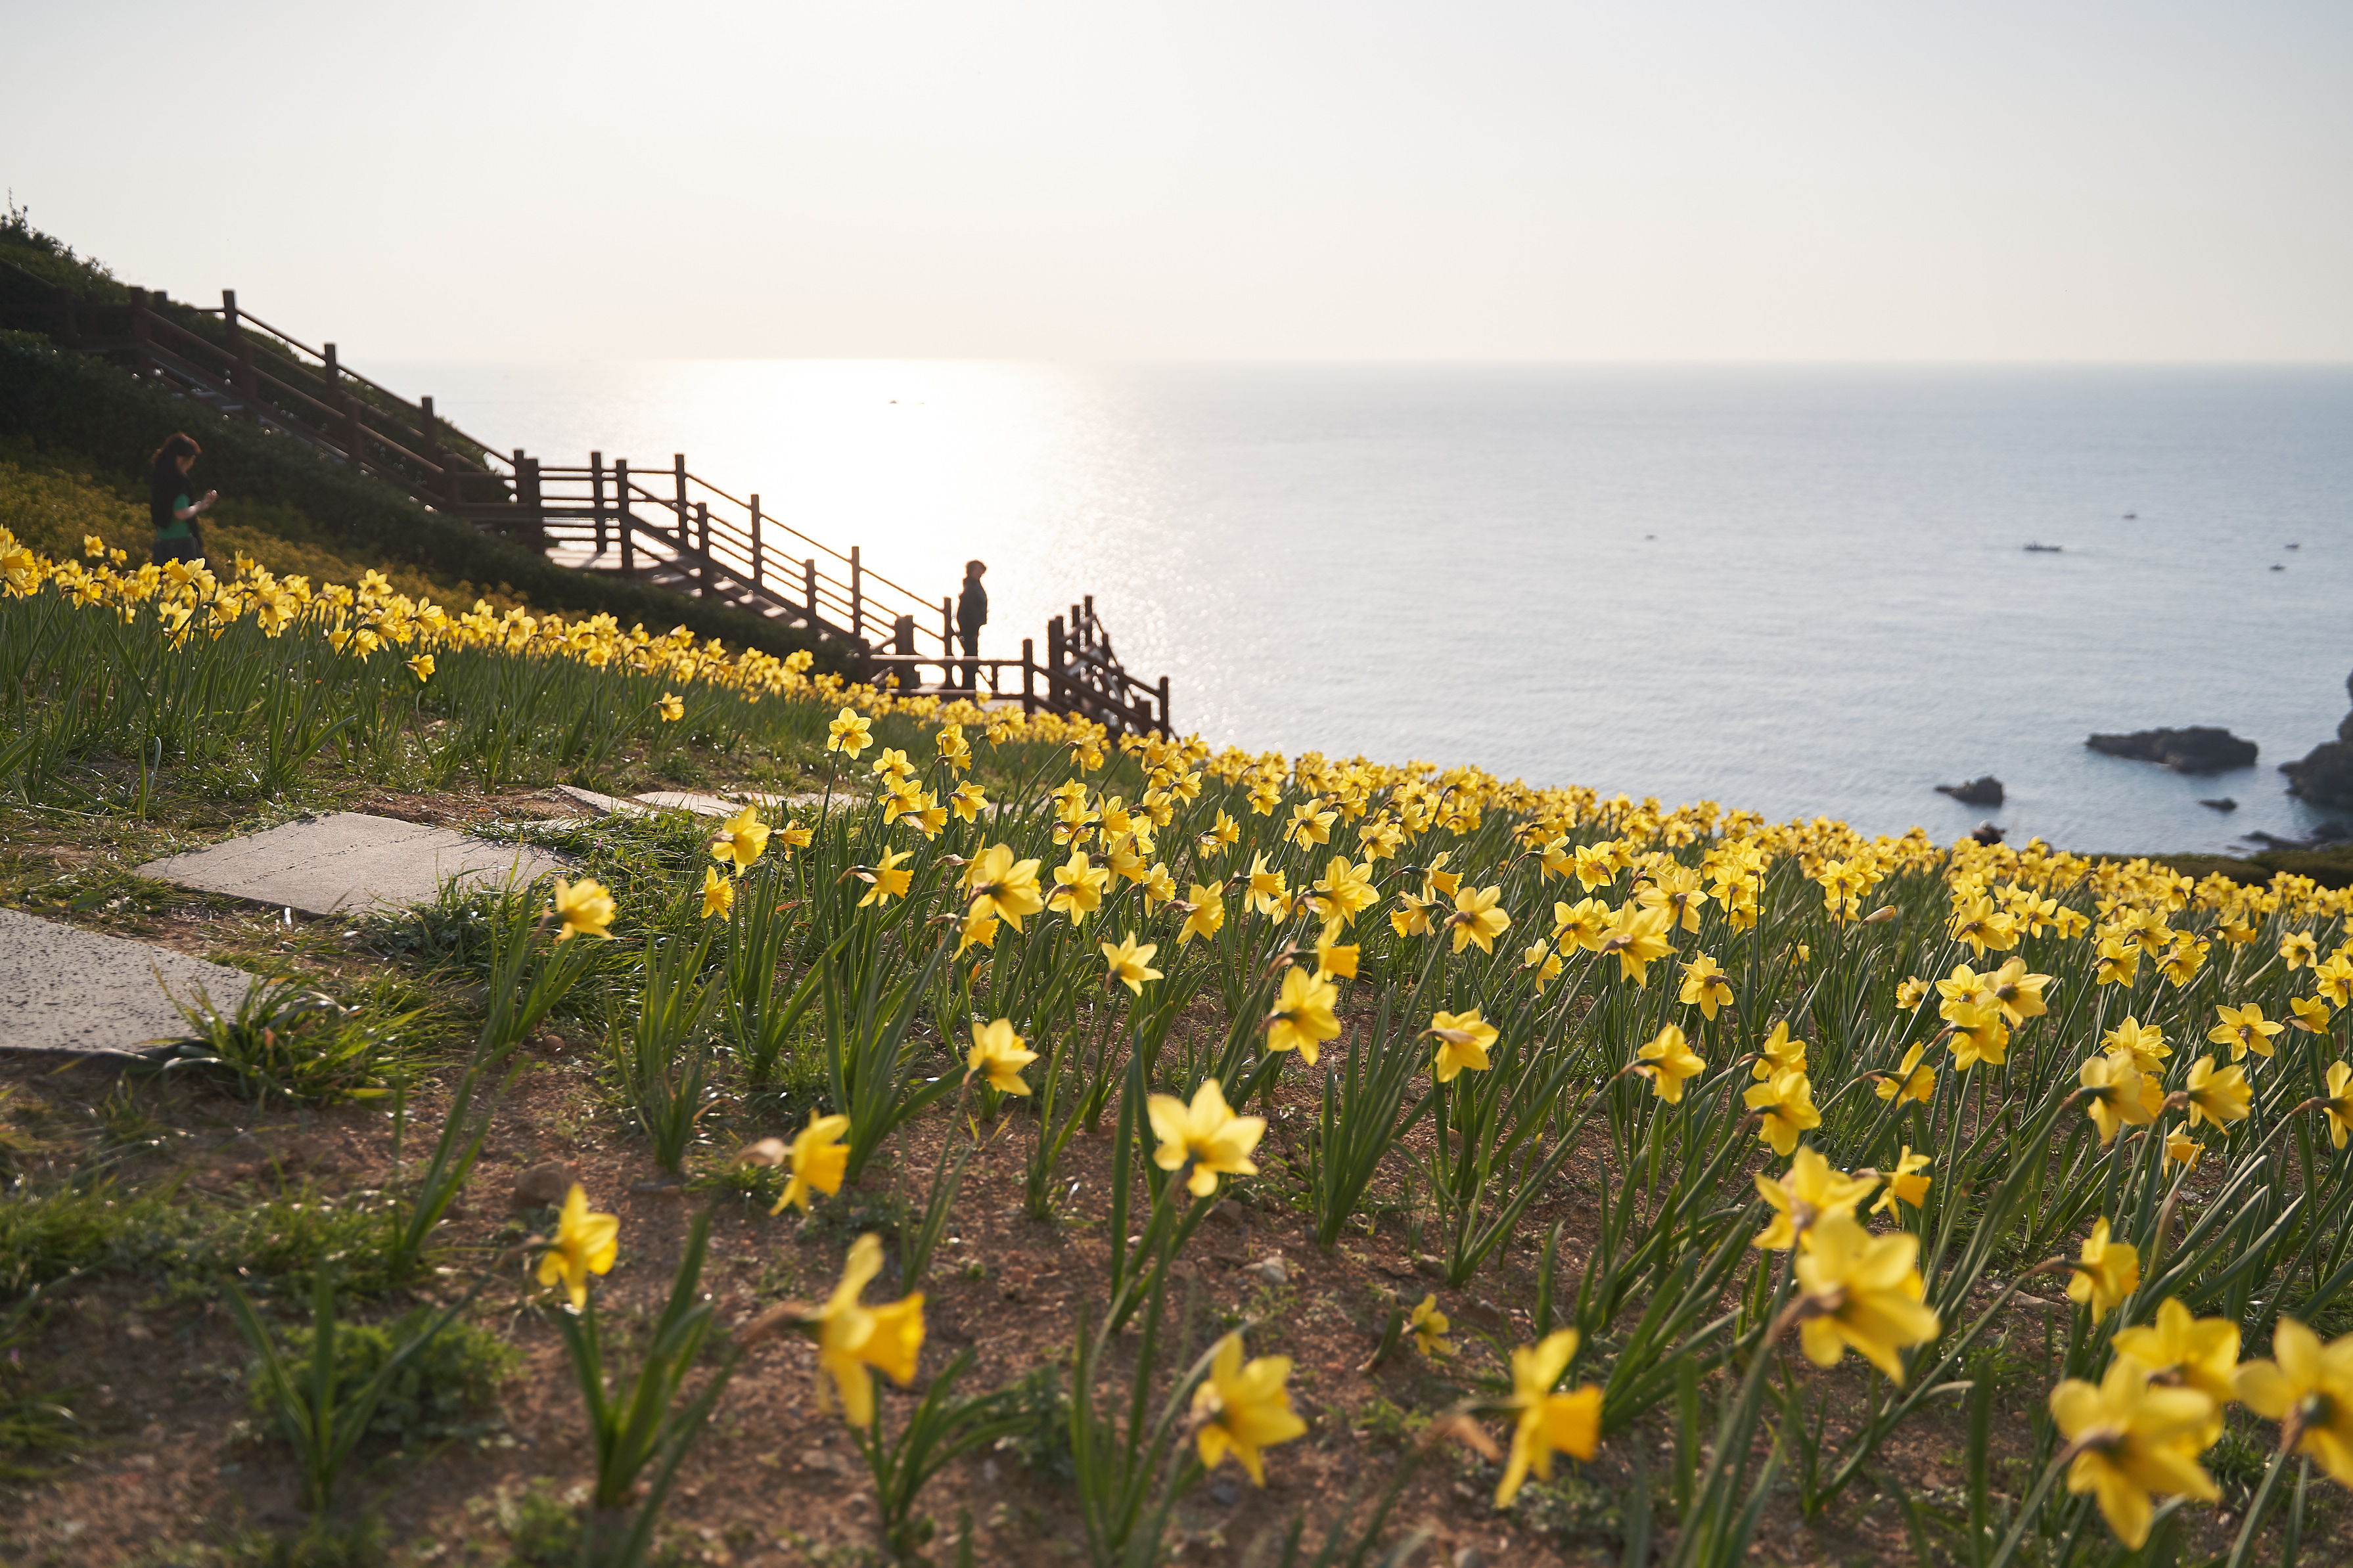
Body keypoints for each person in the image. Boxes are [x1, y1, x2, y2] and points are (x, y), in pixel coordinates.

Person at [149, 433, 216, 566]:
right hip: (180, 545)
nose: (191, 462)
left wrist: (201, 504)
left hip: (162, 543)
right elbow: (181, 513)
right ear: (179, 457)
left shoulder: (159, 475)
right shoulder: (177, 480)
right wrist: (199, 506)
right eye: (190, 458)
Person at [955, 559, 988, 690]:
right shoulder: (971, 588)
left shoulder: (973, 585)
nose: (980, 573)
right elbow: (970, 611)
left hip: (973, 628)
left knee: (971, 657)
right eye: (977, 570)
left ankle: (969, 686)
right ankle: (968, 687)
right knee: (970, 656)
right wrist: (974, 631)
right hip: (970, 629)